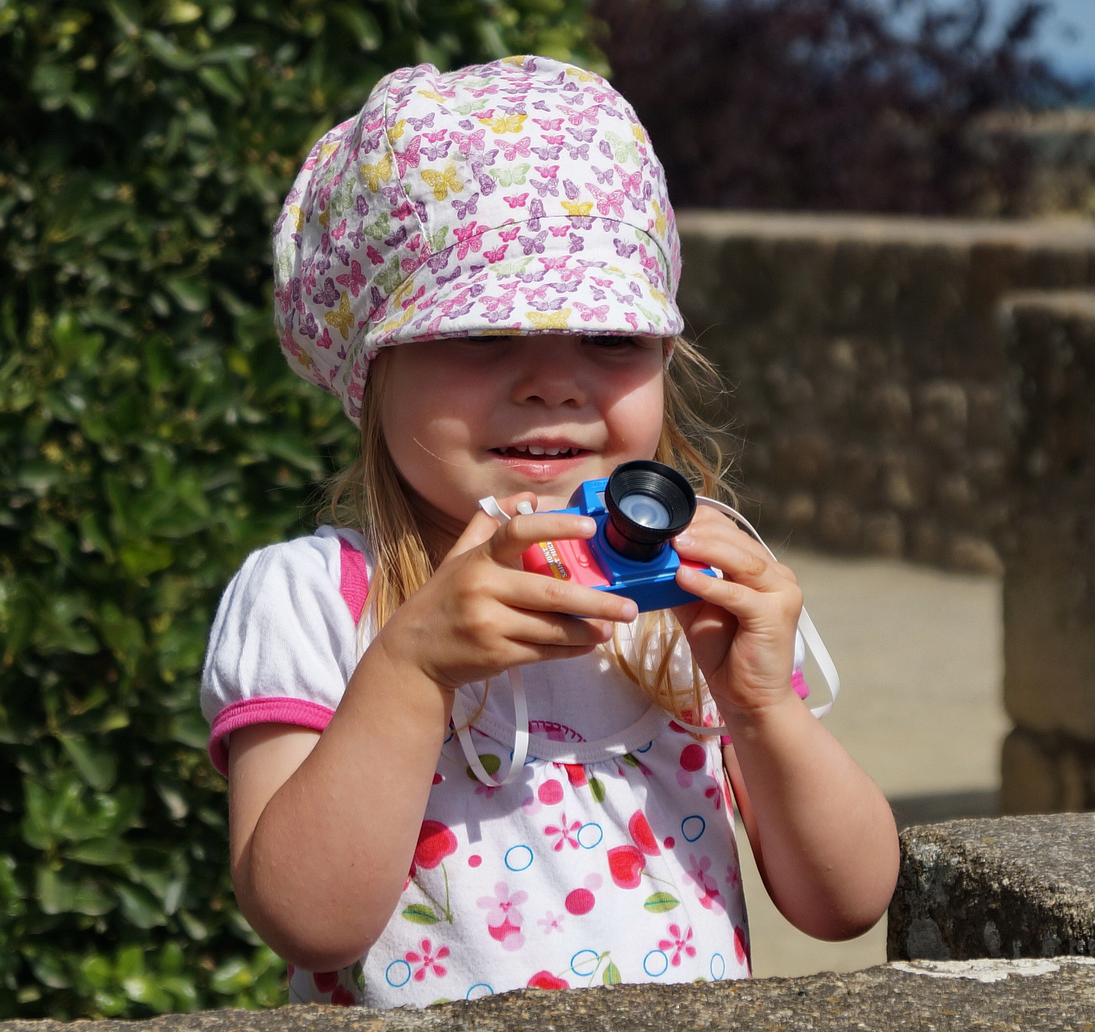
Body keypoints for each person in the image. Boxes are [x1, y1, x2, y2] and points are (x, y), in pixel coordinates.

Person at [201, 56, 898, 1007]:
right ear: (373, 369)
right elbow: (308, 918)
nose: (553, 383)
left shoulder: (691, 587)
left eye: (611, 340)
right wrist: (409, 673)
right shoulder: (318, 601)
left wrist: (763, 708)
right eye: (484, 338)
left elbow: (846, 900)